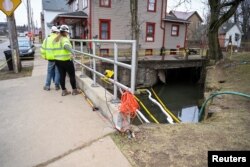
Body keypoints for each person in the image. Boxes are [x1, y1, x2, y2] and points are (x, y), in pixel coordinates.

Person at [53, 25, 80, 96]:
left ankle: (64, 91)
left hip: (58, 61)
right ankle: (74, 91)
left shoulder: (56, 39)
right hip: (66, 60)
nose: (68, 34)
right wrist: (73, 52)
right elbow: (66, 46)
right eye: (67, 32)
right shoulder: (64, 39)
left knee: (62, 75)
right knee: (72, 75)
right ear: (65, 32)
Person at [40, 26, 60, 91]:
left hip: (50, 59)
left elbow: (42, 49)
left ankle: (47, 86)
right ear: (57, 31)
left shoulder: (46, 39)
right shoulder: (58, 39)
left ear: (51, 31)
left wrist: (44, 56)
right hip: (58, 58)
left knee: (49, 72)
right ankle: (57, 86)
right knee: (57, 72)